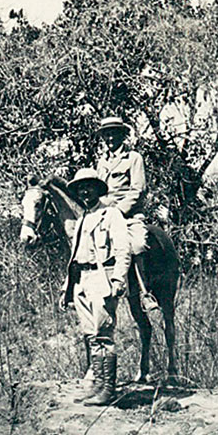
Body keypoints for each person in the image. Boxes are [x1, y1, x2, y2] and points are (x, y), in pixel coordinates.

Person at [63, 168, 131, 406]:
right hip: (82, 279)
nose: (84, 191)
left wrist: (119, 279)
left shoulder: (111, 215)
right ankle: (98, 386)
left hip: (103, 278)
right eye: (80, 187)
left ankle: (108, 389)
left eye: (89, 186)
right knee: (91, 335)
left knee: (104, 334)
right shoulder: (82, 219)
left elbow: (123, 249)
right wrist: (69, 286)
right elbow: (74, 255)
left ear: (97, 189)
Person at [95, 116, 159, 311]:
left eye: (114, 133)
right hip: (105, 215)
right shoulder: (101, 162)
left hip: (128, 215)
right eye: (106, 134)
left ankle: (144, 292)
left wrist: (118, 210)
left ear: (122, 135)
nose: (110, 138)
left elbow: (138, 190)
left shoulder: (133, 158)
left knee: (138, 244)